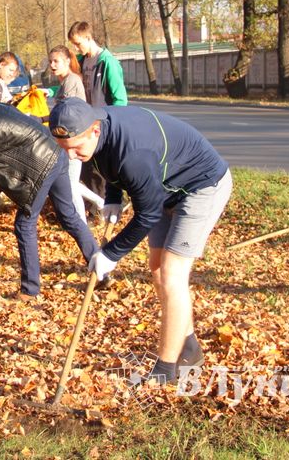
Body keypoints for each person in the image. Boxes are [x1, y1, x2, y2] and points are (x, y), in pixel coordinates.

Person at [49, 98, 232, 384]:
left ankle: (166, 369)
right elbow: (109, 164)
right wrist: (112, 198)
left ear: (94, 130)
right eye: (64, 148)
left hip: (201, 186)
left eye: (75, 147)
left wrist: (110, 253)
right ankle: (190, 347)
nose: (71, 155)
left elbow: (146, 214)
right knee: (158, 270)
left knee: (172, 274)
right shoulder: (97, 132)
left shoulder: (133, 153)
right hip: (165, 187)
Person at [0, 96, 99, 301]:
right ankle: (100, 269)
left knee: (24, 225)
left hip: (41, 166)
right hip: (57, 153)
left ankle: (30, 291)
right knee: (69, 215)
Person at [68, 21, 127, 201]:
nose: (77, 48)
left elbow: (120, 98)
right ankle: (107, 203)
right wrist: (51, 91)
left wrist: (113, 123)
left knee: (98, 170)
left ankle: (100, 209)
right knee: (86, 167)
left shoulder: (107, 62)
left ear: (88, 37)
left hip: (103, 123)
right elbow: (73, 84)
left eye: (78, 43)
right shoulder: (82, 61)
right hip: (86, 121)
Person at [47, 45, 104, 223]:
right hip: (67, 140)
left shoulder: (72, 80)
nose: (52, 65)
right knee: (70, 182)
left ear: (66, 61)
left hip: (74, 140)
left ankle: (81, 225)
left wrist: (40, 118)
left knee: (70, 184)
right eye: (50, 61)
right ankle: (100, 202)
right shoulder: (65, 82)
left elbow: (66, 113)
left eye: (56, 61)